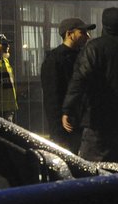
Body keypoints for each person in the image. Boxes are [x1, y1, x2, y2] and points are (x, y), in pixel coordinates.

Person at [61, 7, 118, 162]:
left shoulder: (94, 47)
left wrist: (68, 108)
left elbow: (80, 80)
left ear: (105, 25)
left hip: (98, 121)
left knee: (92, 169)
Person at [40, 18, 96, 153]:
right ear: (69, 34)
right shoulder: (54, 60)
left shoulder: (83, 56)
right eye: (82, 32)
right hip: (67, 128)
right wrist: (57, 132)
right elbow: (52, 98)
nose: (88, 36)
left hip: (83, 124)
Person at [0, 34, 19, 122]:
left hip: (9, 109)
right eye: (3, 44)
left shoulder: (6, 62)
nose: (7, 46)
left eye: (7, 44)